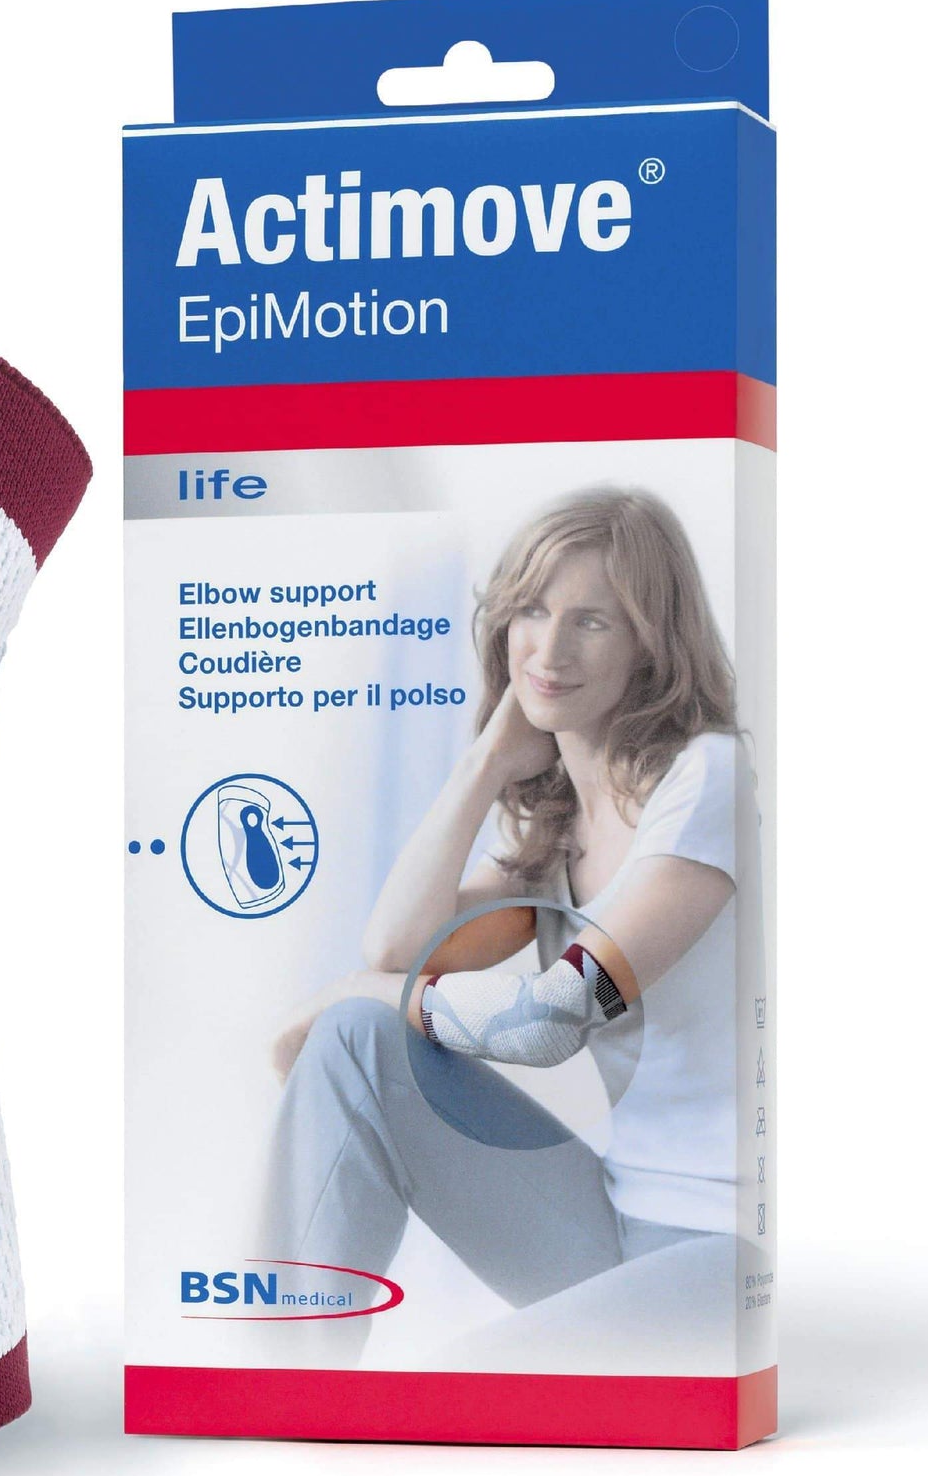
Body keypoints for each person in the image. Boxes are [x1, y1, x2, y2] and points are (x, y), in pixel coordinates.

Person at [263, 487, 757, 1361]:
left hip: (720, 1252)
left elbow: (550, 1019)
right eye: (532, 610)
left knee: (454, 1384)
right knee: (355, 1041)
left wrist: (358, 990)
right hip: (610, 1217)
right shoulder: (561, 825)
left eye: (592, 621)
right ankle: (285, 1372)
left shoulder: (708, 779)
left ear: (651, 642)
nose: (550, 650)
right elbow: (397, 947)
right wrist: (487, 759)